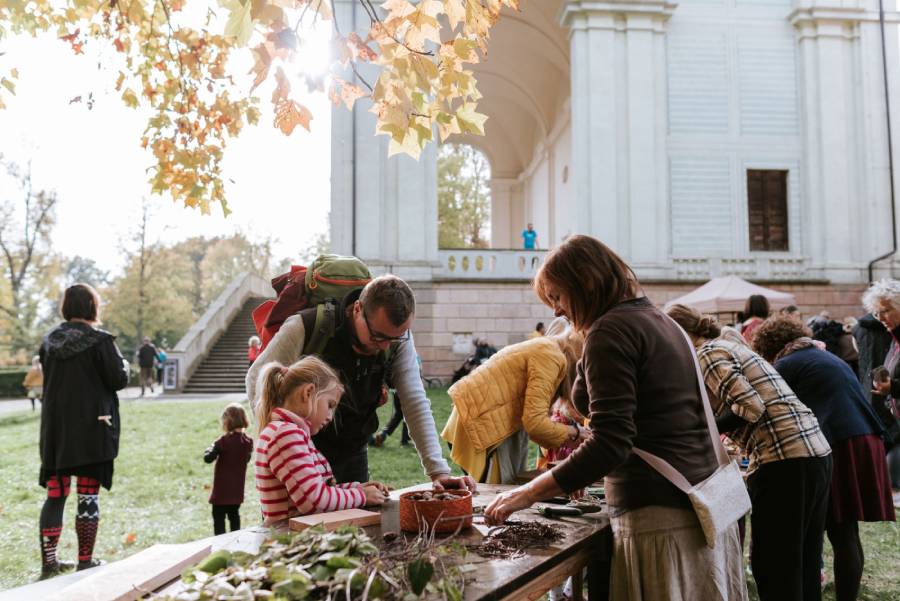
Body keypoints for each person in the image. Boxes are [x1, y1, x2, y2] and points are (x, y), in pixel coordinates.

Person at [485, 235, 747, 600]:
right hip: (693, 506)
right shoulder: (659, 320)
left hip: (661, 521)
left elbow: (611, 443)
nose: (557, 312)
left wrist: (527, 493)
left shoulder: (612, 330)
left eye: (558, 298)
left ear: (585, 283)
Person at [246, 274, 474, 492]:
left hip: (353, 450)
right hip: (298, 451)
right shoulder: (308, 325)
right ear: (357, 309)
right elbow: (257, 377)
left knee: (351, 527)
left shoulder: (397, 338)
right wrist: (280, 439)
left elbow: (413, 400)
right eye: (378, 336)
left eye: (394, 338)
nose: (385, 346)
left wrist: (438, 471)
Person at [666, 304, 832, 601]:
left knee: (774, 564)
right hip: (813, 452)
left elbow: (751, 407)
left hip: (784, 459)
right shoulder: (727, 347)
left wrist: (705, 428)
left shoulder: (707, 355)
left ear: (678, 333)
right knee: (804, 559)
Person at [753, 315, 896, 601]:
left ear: (769, 344)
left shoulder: (786, 364)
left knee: (831, 530)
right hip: (864, 439)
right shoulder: (821, 357)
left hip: (840, 442)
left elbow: (766, 409)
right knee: (846, 530)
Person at [38, 284, 129, 579]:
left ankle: (49, 563)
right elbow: (117, 379)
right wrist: (125, 365)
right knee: (87, 496)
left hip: (56, 431)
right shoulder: (100, 341)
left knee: (56, 494)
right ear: (93, 306)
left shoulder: (49, 341)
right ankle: (85, 560)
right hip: (93, 427)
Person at [441, 328, 586, 484]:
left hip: (483, 420)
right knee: (497, 494)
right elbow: (535, 425)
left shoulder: (548, 348)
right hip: (480, 426)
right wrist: (575, 433)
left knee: (506, 490)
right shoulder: (550, 356)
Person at [254, 357, 388, 524]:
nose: (330, 417)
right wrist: (361, 496)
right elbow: (314, 501)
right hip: (291, 539)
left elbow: (320, 490)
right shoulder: (285, 435)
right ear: (308, 393)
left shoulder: (288, 432)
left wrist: (357, 488)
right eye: (330, 405)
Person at [862, 279, 900, 495]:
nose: (880, 318)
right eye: (877, 313)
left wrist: (892, 387)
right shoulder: (894, 338)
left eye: (886, 311)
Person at [204, 403, 253, 535]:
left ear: (227, 421)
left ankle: (220, 546)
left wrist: (210, 448)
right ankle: (235, 543)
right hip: (236, 491)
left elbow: (208, 458)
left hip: (222, 492)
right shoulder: (248, 442)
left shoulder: (224, 442)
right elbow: (246, 459)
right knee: (234, 517)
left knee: (219, 520)